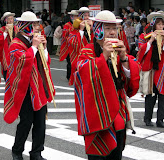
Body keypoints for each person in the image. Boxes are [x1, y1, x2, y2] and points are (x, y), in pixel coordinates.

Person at [74, 10, 140, 159]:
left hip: (117, 115)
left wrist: (124, 59)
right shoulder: (87, 51)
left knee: (117, 154)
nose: (112, 33)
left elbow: (130, 84)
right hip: (96, 115)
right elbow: (82, 76)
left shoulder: (119, 51)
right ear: (98, 30)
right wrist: (103, 56)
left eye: (114, 28)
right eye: (107, 28)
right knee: (98, 155)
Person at [3, 11, 55, 160]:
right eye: (33, 25)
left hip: (38, 86)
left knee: (40, 121)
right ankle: (17, 150)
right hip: (24, 88)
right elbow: (22, 61)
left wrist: (43, 48)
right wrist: (33, 47)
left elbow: (45, 63)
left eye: (36, 24)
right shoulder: (16, 43)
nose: (36, 27)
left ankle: (36, 152)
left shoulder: (36, 40)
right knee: (26, 121)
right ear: (25, 26)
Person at [137, 12, 164, 128]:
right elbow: (140, 52)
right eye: (158, 24)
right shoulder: (144, 36)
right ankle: (147, 118)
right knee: (150, 96)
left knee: (162, 97)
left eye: (162, 24)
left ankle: (160, 119)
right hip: (151, 69)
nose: (161, 27)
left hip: (162, 70)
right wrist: (151, 41)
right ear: (153, 25)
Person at [68, 7, 94, 85]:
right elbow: (72, 42)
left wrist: (92, 28)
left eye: (88, 15)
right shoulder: (75, 27)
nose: (87, 17)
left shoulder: (91, 24)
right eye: (85, 15)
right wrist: (81, 30)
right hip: (80, 54)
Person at [0, 12, 18, 80]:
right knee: (7, 70)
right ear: (5, 21)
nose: (11, 21)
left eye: (12, 19)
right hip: (6, 53)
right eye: (9, 19)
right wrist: (5, 32)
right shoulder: (1, 30)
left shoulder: (17, 29)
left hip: (16, 52)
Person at [60, 10, 79, 80]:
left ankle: (76, 76)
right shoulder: (67, 25)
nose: (76, 18)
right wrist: (72, 29)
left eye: (77, 16)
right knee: (70, 62)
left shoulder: (80, 24)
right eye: (74, 16)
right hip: (69, 46)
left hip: (77, 46)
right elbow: (65, 35)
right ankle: (69, 76)